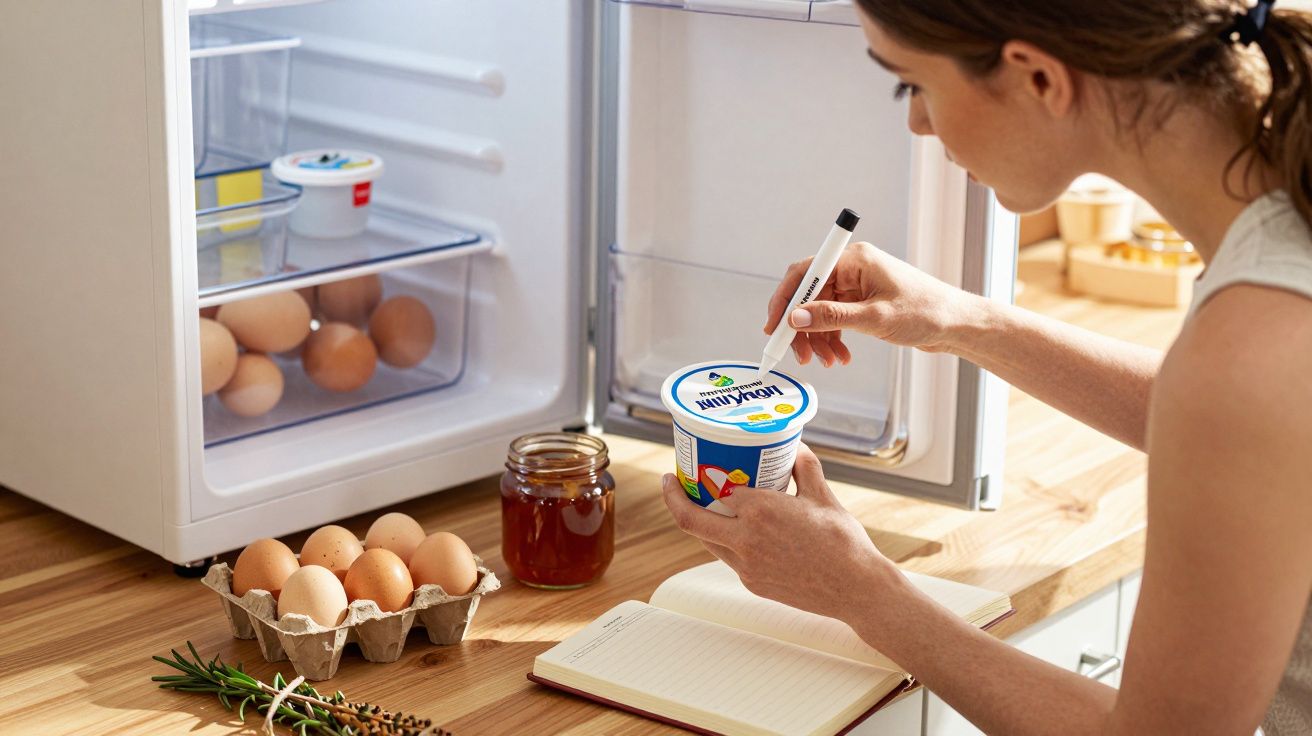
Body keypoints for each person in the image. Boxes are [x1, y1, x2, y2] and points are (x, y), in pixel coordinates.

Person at [660, 1, 1312, 733]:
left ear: (1037, 77)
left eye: (911, 84)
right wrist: (964, 321)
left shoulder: (1253, 342)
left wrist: (864, 593)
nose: (916, 123)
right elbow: (1260, 438)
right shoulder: (1274, 260)